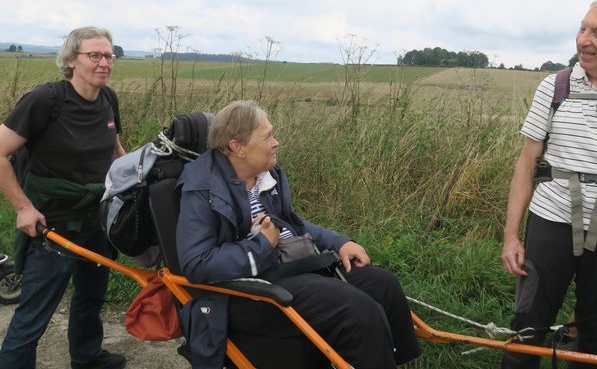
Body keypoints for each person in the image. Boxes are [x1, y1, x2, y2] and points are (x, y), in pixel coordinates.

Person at [176, 100, 421, 369]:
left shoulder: (265, 176)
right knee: (358, 311)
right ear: (238, 147)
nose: (276, 142)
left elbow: (295, 225)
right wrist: (262, 246)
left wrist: (339, 243)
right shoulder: (203, 188)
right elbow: (196, 263)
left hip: (288, 268)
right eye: (267, 136)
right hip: (247, 292)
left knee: (383, 285)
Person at [501, 0, 597, 368]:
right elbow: (526, 162)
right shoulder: (555, 86)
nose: (583, 39)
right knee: (527, 328)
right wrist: (512, 236)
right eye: (582, 28)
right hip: (551, 224)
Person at [0, 27, 127, 369]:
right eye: (94, 55)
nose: (105, 63)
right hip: (51, 226)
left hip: (95, 220)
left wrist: (133, 183)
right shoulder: (45, 100)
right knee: (34, 316)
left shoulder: (108, 99)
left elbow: (116, 153)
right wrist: (23, 208)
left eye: (109, 55)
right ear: (71, 61)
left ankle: (86, 357)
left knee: (91, 298)